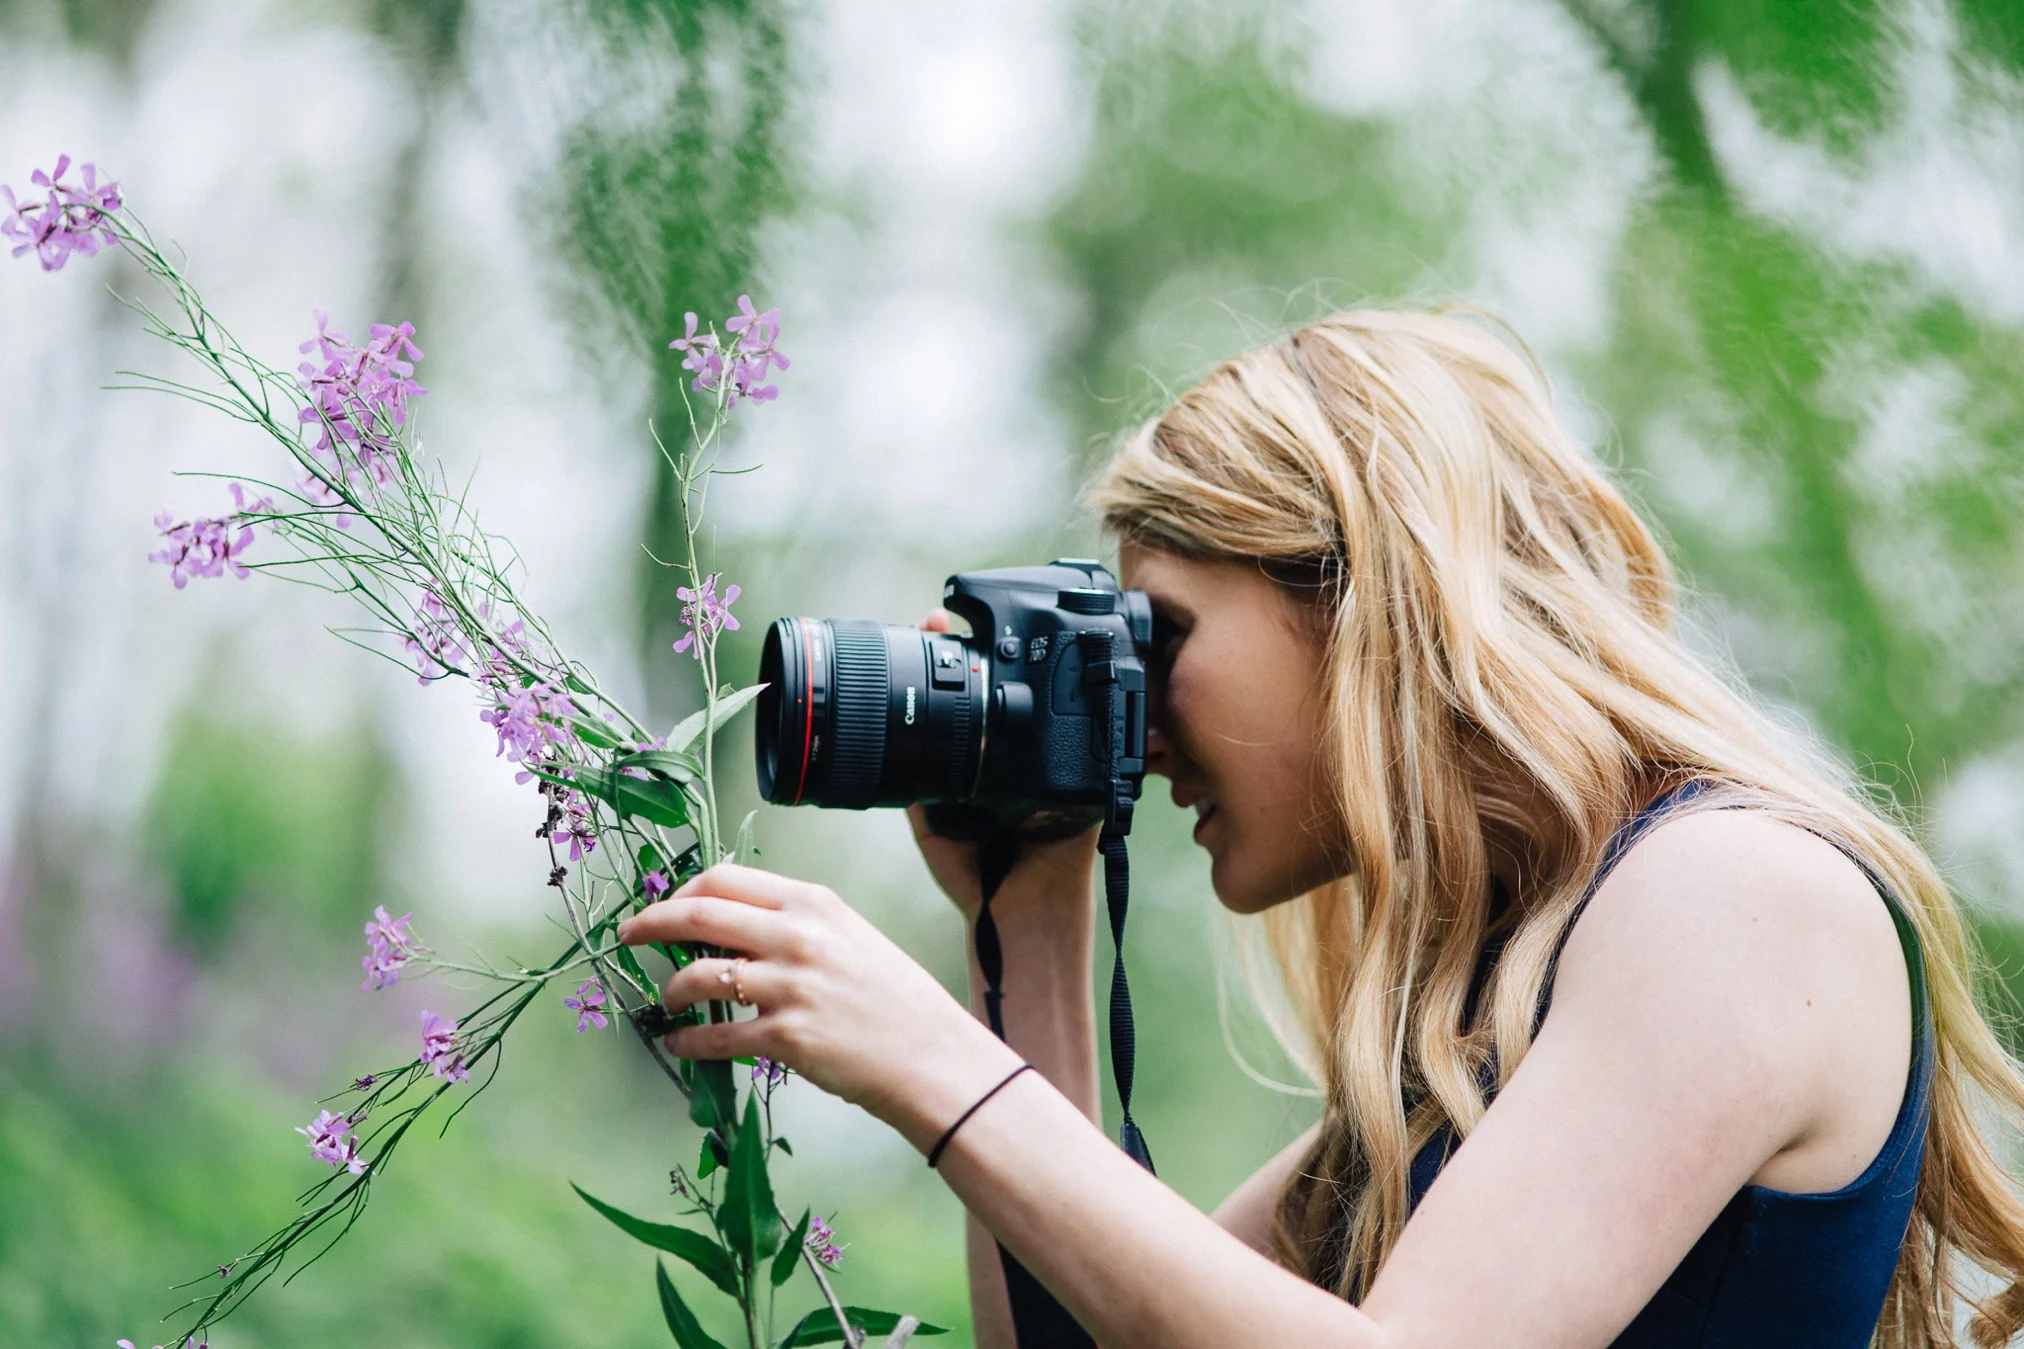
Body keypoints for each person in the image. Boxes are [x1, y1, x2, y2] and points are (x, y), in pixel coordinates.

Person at [618, 309, 2024, 1348]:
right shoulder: (1468, 1041)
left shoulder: (1737, 893)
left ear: (1364, 601)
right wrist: (1026, 929)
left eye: (1162, 633)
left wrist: (931, 1068)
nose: (1138, 719)